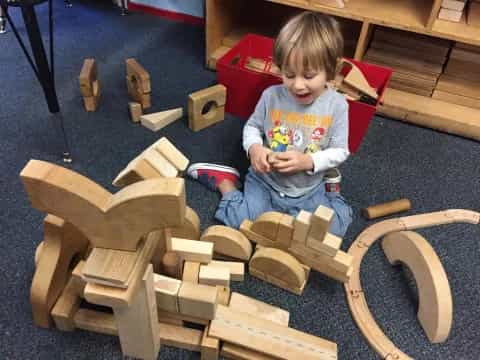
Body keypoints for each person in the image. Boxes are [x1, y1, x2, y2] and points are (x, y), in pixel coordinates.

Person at [187, 11, 352, 237]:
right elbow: (253, 127)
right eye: (289, 74)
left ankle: (332, 188)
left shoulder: (338, 105)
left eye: (309, 75)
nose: (298, 85)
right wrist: (254, 148)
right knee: (241, 224)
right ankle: (226, 183)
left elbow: (340, 151)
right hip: (265, 182)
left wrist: (308, 161)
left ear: (332, 69)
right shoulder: (271, 96)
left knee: (334, 230)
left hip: (309, 189)